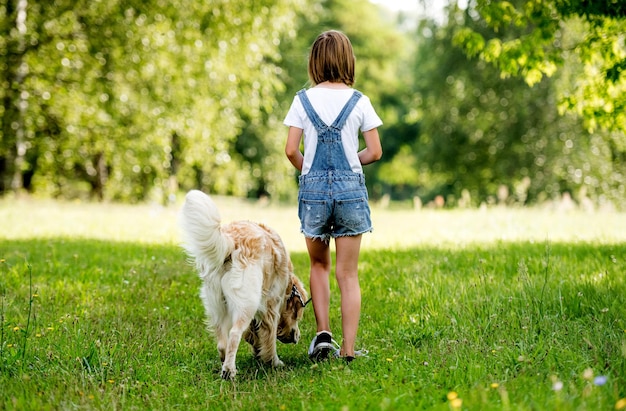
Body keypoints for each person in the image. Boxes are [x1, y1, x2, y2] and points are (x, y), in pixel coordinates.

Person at [283, 30, 383, 363]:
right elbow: (375, 151)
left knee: (318, 264)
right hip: (350, 190)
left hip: (312, 190)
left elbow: (290, 150)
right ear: (347, 60)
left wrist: (308, 171)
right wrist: (353, 160)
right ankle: (349, 349)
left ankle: (322, 335)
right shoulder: (360, 100)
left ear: (314, 62)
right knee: (348, 273)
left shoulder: (302, 100)